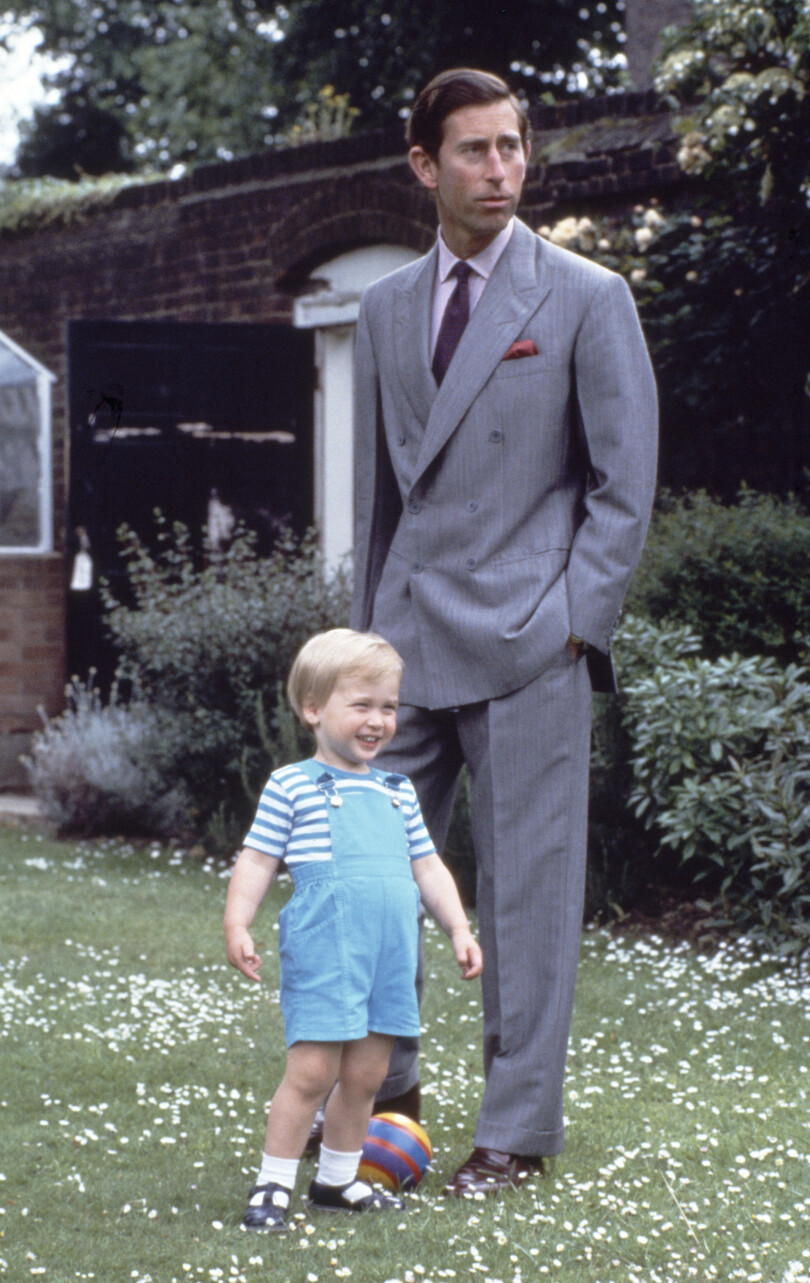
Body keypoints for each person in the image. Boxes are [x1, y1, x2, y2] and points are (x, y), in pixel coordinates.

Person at [351, 68, 658, 1195]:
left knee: (528, 894)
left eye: (513, 148)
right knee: (371, 873)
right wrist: (363, 650)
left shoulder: (586, 295)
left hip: (534, 644)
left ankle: (514, 1135)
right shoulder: (383, 308)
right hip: (407, 644)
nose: (500, 171)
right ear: (423, 166)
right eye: (474, 151)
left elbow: (625, 487)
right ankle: (388, 1097)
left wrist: (576, 623)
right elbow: (384, 498)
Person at [224, 628, 483, 1231]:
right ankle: (273, 1185)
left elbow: (428, 867)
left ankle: (338, 1181)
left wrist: (457, 928)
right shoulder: (291, 785)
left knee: (367, 1075)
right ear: (314, 709)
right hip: (327, 947)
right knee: (312, 1072)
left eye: (388, 707)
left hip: (391, 952)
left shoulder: (397, 792)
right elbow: (258, 860)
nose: (377, 720)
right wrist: (239, 921)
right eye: (361, 705)